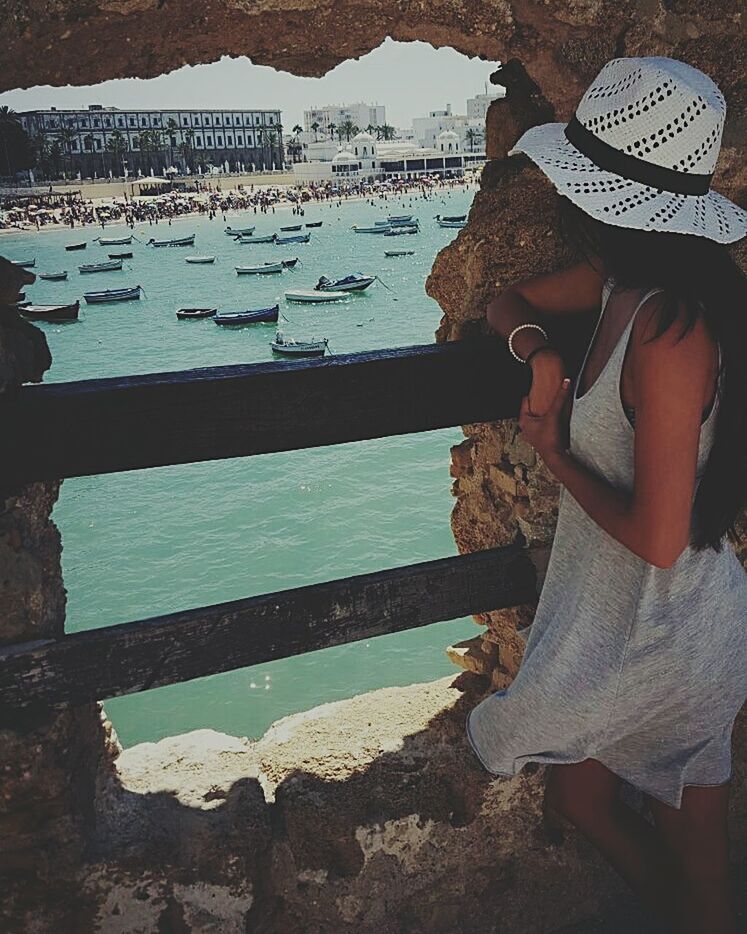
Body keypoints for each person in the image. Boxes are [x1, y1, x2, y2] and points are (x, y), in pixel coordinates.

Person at [465, 57, 746, 933]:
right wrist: (536, 350)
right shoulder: (622, 284)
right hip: (623, 628)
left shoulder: (668, 329)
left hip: (668, 638)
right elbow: (501, 300)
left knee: (698, 867)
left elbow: (660, 540)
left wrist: (551, 448)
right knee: (578, 806)